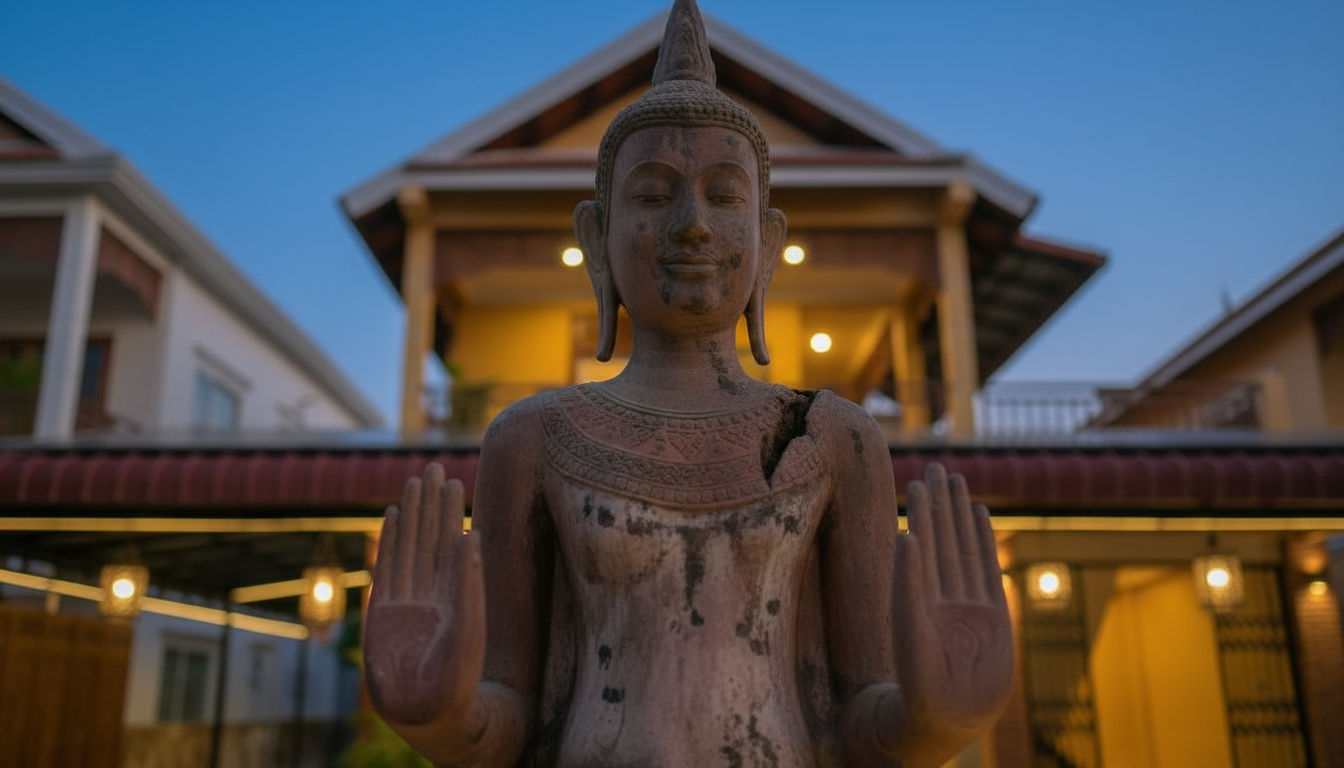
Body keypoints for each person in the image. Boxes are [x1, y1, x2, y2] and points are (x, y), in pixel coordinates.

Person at [363, 2, 1012, 765]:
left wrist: (933, 719)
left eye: (725, 195)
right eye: (653, 193)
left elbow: (858, 718)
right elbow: (515, 714)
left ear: (767, 245)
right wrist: (440, 715)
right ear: (596, 241)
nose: (693, 224)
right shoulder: (533, 438)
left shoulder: (836, 440)